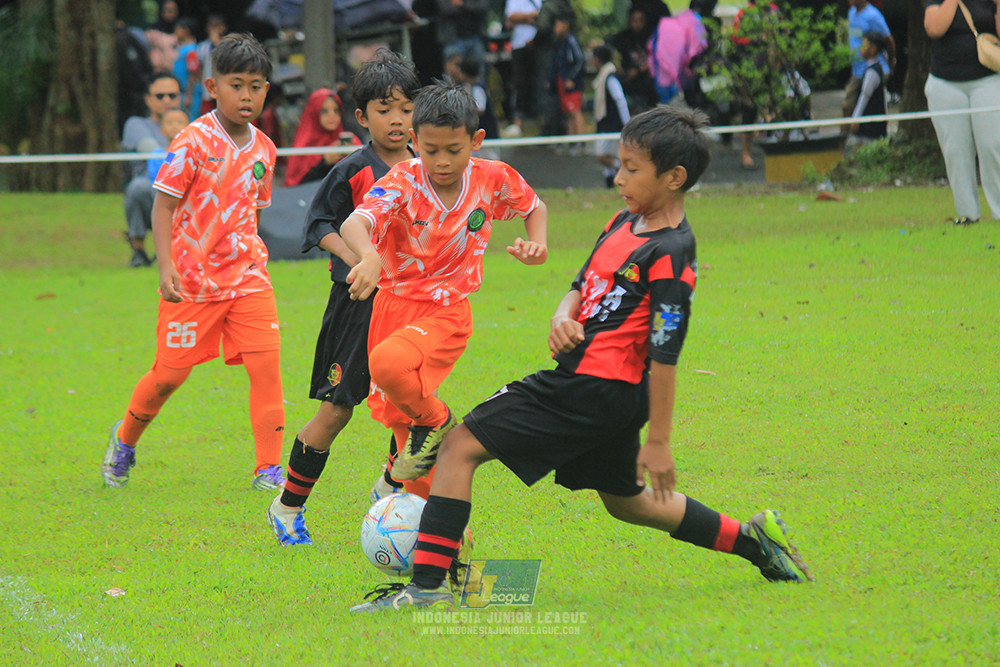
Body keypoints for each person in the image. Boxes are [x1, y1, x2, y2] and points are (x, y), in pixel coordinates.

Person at [348, 106, 814, 613]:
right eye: (620, 164)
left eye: (632, 169)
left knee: (458, 447)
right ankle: (753, 541)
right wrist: (564, 315)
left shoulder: (672, 252)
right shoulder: (622, 222)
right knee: (627, 501)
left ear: (674, 178)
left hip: (591, 388)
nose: (619, 178)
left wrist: (659, 442)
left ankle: (425, 588)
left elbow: (666, 355)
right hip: (600, 391)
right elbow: (581, 284)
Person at [339, 82, 548, 510]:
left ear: (476, 141)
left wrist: (537, 243)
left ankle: (439, 420)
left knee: (387, 364)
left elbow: (534, 207)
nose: (441, 161)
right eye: (430, 149)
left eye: (454, 149)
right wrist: (369, 256)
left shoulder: (492, 178)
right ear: (414, 141)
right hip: (392, 308)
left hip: (447, 312)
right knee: (413, 452)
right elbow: (354, 223)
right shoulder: (402, 181)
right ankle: (450, 552)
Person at [101, 33, 287, 493]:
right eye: (237, 84)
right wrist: (166, 267)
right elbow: (162, 206)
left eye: (257, 86)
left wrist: (252, 259)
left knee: (267, 372)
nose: (247, 96)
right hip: (192, 283)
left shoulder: (265, 147)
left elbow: (253, 212)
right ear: (212, 86)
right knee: (168, 376)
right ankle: (124, 439)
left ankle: (268, 469)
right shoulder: (192, 140)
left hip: (247, 279)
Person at [264, 50, 421, 547]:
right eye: (383, 109)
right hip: (358, 306)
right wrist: (360, 259)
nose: (396, 119)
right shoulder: (355, 167)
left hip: (410, 304)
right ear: (361, 118)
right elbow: (320, 226)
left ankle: (392, 484)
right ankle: (287, 506)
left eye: (405, 108)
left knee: (414, 404)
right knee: (338, 410)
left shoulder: (426, 166)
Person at [924, 0, 1000, 225]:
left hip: (987, 79)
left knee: (992, 146)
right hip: (945, 82)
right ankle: (968, 214)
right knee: (956, 149)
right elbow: (934, 28)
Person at [121, 72, 182, 268]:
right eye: (160, 96)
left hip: (185, 190)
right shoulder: (136, 124)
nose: (167, 100)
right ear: (148, 99)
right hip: (151, 190)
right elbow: (153, 152)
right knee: (137, 187)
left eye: (172, 95)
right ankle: (139, 251)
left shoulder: (195, 124)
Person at [284, 89, 362, 187]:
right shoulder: (303, 147)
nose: (332, 115)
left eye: (336, 110)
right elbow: (295, 186)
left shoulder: (351, 141)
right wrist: (325, 162)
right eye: (324, 111)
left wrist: (353, 157)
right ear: (314, 114)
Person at [842, 0, 896, 129]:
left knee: (862, 103)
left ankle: (848, 136)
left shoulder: (873, 16)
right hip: (857, 69)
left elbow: (889, 40)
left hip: (871, 69)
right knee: (851, 105)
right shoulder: (852, 13)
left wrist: (891, 64)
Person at [646, 1, 708, 104]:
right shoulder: (695, 21)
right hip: (672, 73)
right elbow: (697, 49)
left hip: (662, 71)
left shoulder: (672, 22)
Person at [592, 44, 631, 188]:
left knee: (602, 155)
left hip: (611, 123)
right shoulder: (603, 76)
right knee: (607, 154)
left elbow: (620, 100)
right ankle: (610, 183)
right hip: (604, 122)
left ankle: (622, 170)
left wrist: (626, 123)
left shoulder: (609, 78)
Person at [610, 9, 659, 113]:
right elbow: (613, 55)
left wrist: (637, 70)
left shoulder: (651, 37)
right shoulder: (622, 38)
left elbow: (656, 59)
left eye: (640, 20)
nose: (637, 24)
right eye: (634, 20)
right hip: (627, 78)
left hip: (647, 79)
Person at [504, 0, 541, 134]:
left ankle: (540, 121)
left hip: (539, 45)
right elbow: (511, 17)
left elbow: (545, 17)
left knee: (538, 82)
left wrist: (524, 18)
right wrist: (532, 16)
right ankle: (518, 121)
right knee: (520, 82)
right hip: (519, 45)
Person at [847, 31, 889, 145]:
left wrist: (856, 119)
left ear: (873, 48)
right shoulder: (873, 69)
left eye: (864, 45)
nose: (861, 48)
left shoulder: (872, 72)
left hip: (871, 127)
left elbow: (864, 96)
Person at [549, 17, 586, 146]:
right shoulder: (561, 43)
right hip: (562, 83)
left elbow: (580, 60)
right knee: (568, 113)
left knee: (575, 111)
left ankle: (581, 141)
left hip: (571, 84)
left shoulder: (571, 41)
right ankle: (571, 140)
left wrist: (571, 78)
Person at [146, 108, 189, 182]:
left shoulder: (194, 153)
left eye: (179, 122)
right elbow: (158, 175)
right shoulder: (157, 154)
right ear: (162, 129)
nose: (174, 126)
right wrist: (171, 154)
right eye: (169, 122)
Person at [196, 14, 227, 115]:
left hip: (224, 86)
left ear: (224, 27)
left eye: (218, 26)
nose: (215, 29)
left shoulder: (229, 44)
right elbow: (199, 66)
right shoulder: (202, 46)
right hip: (207, 86)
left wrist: (216, 43)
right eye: (212, 26)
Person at [173, 16, 203, 117]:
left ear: (185, 30)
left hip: (189, 93)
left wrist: (188, 96)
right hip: (181, 91)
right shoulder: (181, 47)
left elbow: (193, 74)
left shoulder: (191, 50)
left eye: (177, 29)